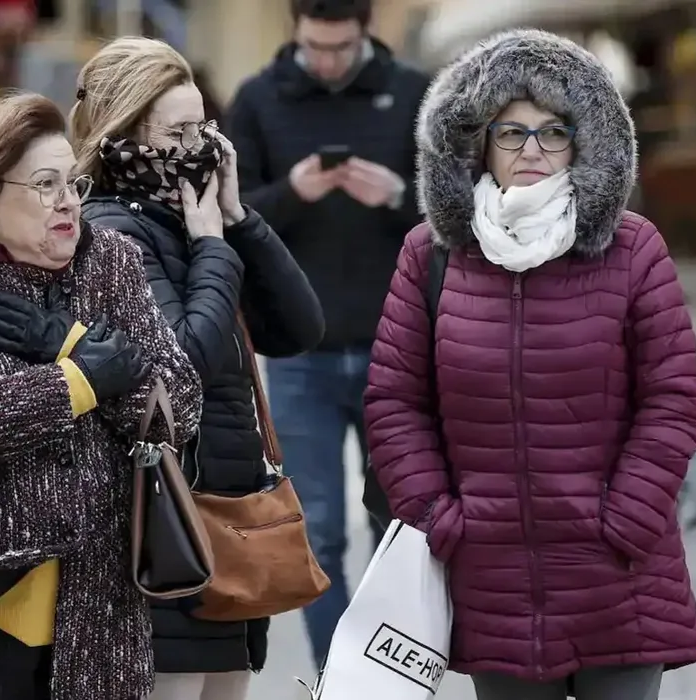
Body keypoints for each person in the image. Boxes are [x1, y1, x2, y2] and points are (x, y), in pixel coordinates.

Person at [364, 29, 696, 700]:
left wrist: (624, 519)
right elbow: (394, 400)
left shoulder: (633, 249)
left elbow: (671, 398)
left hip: (617, 572)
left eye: (553, 132)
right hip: (493, 580)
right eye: (511, 132)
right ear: (476, 141)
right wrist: (441, 516)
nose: (531, 151)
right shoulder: (432, 255)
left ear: (584, 140)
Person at [0, 92, 203, 700]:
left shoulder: (111, 263)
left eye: (73, 184)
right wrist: (75, 382)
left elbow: (178, 404)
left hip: (99, 603)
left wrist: (75, 343)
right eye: (45, 185)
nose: (69, 204)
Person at [71, 36, 325, 700]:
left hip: (226, 529)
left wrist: (238, 219)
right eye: (177, 132)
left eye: (203, 127)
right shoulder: (116, 236)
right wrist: (212, 246)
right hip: (168, 532)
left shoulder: (188, 219)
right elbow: (183, 360)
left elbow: (299, 328)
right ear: (123, 136)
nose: (199, 148)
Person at [224, 0, 431, 668]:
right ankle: (338, 677)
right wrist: (294, 191)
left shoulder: (414, 94)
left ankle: (386, 675)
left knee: (397, 529)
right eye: (316, 47)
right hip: (297, 351)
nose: (329, 61)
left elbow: (454, 208)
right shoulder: (258, 99)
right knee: (314, 531)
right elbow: (231, 214)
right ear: (296, 32)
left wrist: (399, 194)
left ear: (366, 32)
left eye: (342, 48)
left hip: (397, 350)